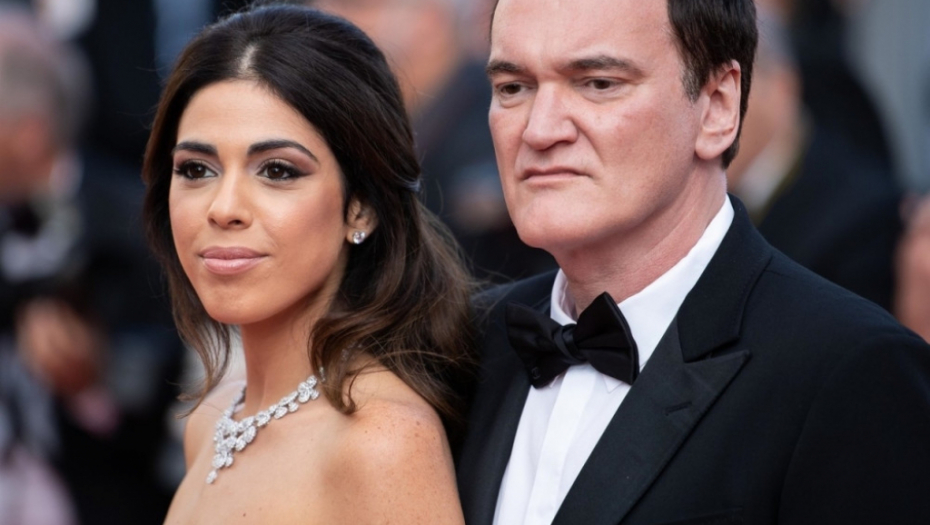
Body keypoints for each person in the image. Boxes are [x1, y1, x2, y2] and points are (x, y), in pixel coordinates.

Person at [456, 0, 930, 524]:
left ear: (718, 106)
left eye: (599, 83)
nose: (539, 130)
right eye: (513, 88)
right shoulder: (461, 344)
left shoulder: (850, 371)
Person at [141, 5, 473, 524]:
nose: (223, 208)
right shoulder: (209, 423)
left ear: (360, 204)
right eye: (197, 169)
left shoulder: (380, 441)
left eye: (277, 171)